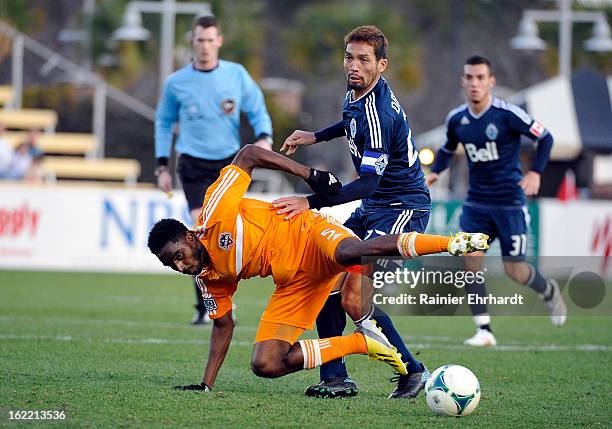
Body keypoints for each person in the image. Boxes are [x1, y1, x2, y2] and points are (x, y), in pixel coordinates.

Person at [147, 144, 489, 392]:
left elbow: (249, 153)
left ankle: (451, 244)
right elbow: (223, 325)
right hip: (294, 283)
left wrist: (308, 174)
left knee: (354, 254)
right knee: (265, 364)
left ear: (191, 237)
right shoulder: (209, 280)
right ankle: (360, 344)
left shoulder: (215, 208)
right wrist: (206, 384)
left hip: (310, 233)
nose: (180, 266)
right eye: (170, 264)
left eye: (178, 254)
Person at [276, 26, 431, 399]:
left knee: (352, 299)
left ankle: (413, 370)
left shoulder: (381, 112)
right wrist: (315, 136)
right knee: (322, 276)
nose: (354, 65)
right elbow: (350, 122)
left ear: (382, 65)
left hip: (401, 209)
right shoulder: (356, 92)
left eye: (364, 59)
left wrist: (309, 202)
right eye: (350, 57)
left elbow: (368, 183)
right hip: (374, 208)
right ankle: (335, 377)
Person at [426, 55, 567, 347]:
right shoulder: (457, 119)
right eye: (469, 77)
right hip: (476, 204)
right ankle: (484, 330)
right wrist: (436, 172)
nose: (475, 83)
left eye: (480, 78)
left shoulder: (507, 114)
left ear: (491, 81)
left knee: (514, 270)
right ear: (463, 81)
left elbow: (547, 138)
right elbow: (448, 149)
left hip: (510, 204)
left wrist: (536, 174)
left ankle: (548, 291)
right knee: (471, 263)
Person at [155, 15, 273, 325]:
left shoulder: (236, 75)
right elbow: (164, 123)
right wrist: (161, 166)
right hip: (192, 164)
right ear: (192, 42)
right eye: (199, 40)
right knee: (198, 231)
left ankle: (223, 300)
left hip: (228, 164)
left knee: (227, 234)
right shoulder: (176, 82)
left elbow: (257, 106)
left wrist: (264, 137)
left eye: (210, 40)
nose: (205, 46)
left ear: (218, 41)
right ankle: (206, 307)